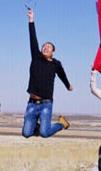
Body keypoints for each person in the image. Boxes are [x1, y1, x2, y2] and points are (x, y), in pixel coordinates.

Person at [22, 8, 73, 138]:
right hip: (32, 103)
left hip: (46, 103)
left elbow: (62, 75)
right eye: (44, 46)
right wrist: (31, 20)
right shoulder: (36, 57)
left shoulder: (56, 63)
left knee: (45, 133)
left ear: (53, 52)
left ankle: (61, 123)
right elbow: (33, 38)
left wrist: (68, 85)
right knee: (26, 133)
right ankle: (36, 126)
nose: (46, 48)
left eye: (49, 47)